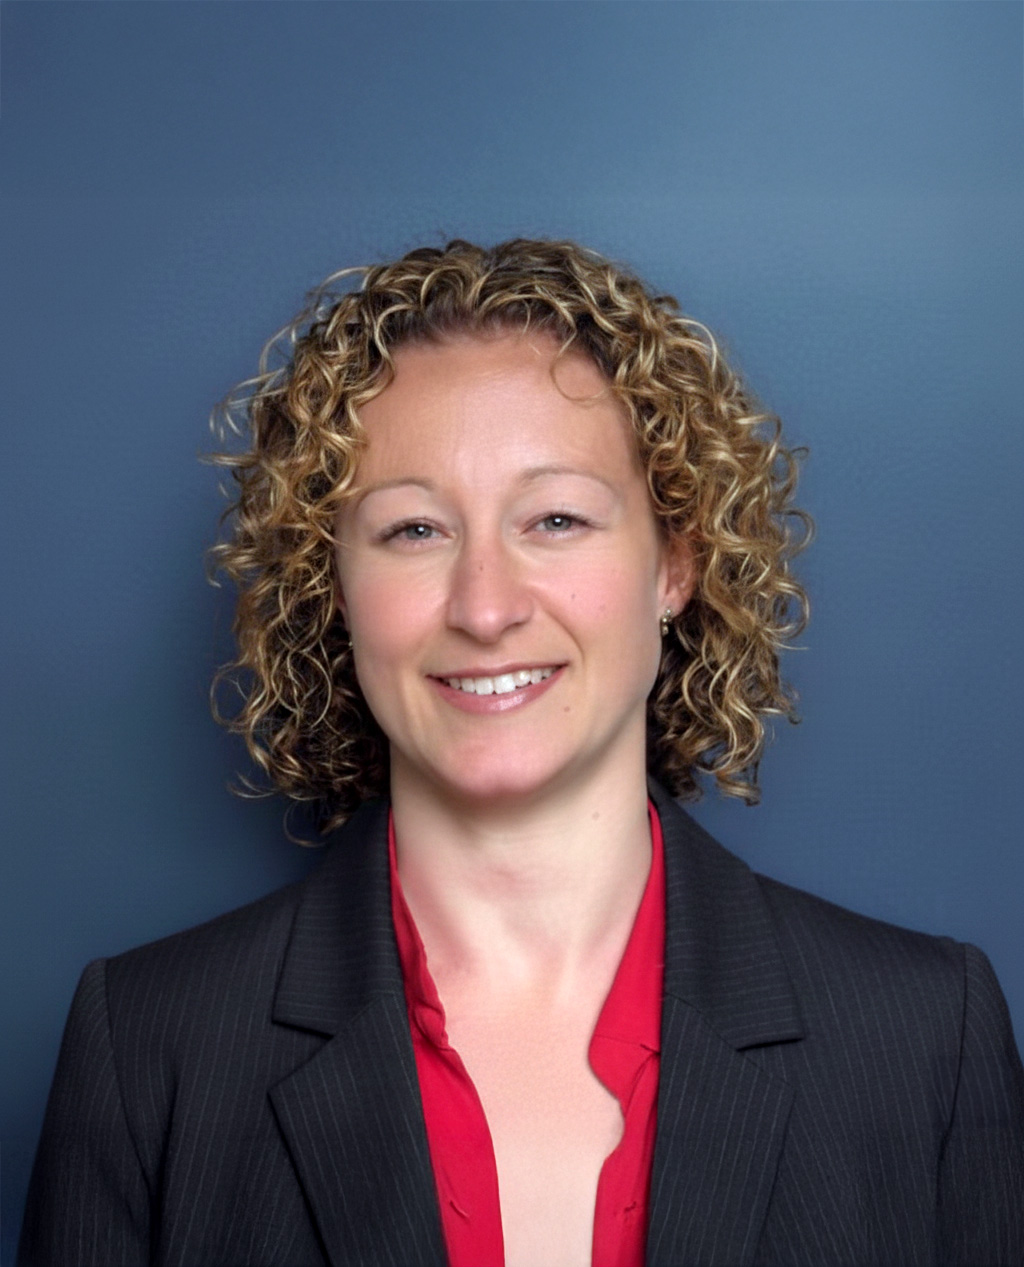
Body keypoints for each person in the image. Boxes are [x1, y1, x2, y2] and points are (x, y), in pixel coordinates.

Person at [20, 238, 1024, 1267]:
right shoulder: (150, 1047)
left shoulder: (925, 1036)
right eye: (414, 530)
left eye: (555, 518)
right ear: (335, 584)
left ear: (674, 563)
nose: (486, 607)